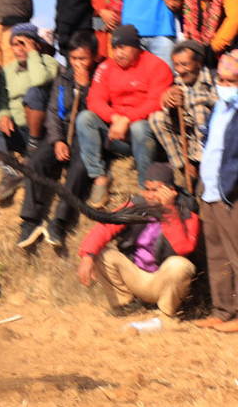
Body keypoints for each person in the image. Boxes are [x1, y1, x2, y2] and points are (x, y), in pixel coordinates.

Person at [76, 162, 198, 322]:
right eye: (147, 189)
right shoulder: (138, 204)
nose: (150, 195)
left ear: (171, 190)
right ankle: (126, 305)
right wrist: (87, 256)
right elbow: (104, 228)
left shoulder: (186, 210)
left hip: (162, 279)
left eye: (156, 190)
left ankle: (165, 313)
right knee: (100, 253)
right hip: (136, 276)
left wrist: (169, 210)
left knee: (180, 265)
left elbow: (184, 248)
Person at [18, 29, 101, 250]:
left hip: (86, 135)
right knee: (36, 162)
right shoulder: (64, 77)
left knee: (80, 169)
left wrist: (84, 88)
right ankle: (29, 220)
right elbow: (53, 111)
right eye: (73, 58)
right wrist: (57, 141)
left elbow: (98, 111)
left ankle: (59, 223)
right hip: (62, 133)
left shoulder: (100, 77)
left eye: (82, 58)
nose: (77, 63)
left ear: (93, 56)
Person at [78, 24, 174, 205]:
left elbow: (157, 102)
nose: (118, 53)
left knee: (139, 128)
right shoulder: (106, 67)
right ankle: (99, 177)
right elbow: (94, 99)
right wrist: (115, 118)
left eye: (123, 47)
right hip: (115, 132)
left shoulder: (157, 66)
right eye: (114, 48)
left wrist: (128, 119)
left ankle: (145, 187)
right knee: (85, 118)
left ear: (136, 47)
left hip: (145, 135)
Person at [0, 23, 59, 203]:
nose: (19, 49)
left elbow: (39, 80)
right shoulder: (8, 70)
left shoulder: (48, 63)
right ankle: (9, 171)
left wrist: (32, 53)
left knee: (34, 93)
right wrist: (3, 115)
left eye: (23, 43)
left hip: (40, 133)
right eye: (15, 44)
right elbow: (3, 101)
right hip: (16, 130)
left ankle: (32, 149)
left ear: (35, 44)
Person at [195, 51, 238, 333]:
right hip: (210, 190)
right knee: (217, 254)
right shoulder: (219, 108)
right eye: (221, 79)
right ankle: (223, 311)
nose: (224, 85)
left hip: (230, 193)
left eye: (232, 80)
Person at [147, 41, 215, 177]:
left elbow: (217, 103)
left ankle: (200, 164)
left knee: (200, 110)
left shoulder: (214, 78)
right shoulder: (177, 82)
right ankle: (184, 166)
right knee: (156, 118)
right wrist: (168, 101)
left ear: (199, 62)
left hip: (209, 133)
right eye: (177, 65)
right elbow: (168, 109)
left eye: (185, 64)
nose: (181, 70)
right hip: (187, 131)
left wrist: (189, 101)